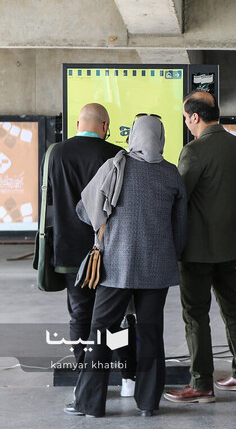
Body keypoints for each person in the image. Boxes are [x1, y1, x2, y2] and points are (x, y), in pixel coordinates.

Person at [65, 116, 187, 417]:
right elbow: (181, 228)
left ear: (133, 136)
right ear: (160, 137)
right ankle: (148, 403)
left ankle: (89, 404)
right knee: (150, 332)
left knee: (102, 332)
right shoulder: (172, 175)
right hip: (157, 269)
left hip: (115, 266)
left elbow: (84, 210)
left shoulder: (115, 166)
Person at [164, 91, 236, 404]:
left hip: (198, 250)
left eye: (186, 117)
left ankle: (201, 383)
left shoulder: (194, 151)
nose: (187, 123)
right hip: (232, 243)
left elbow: (180, 199)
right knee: (233, 307)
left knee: (195, 314)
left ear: (194, 117)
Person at [46, 103, 137, 396]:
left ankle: (86, 382)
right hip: (108, 250)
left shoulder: (55, 153)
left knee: (79, 316)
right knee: (116, 316)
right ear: (105, 125)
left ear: (77, 124)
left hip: (69, 251)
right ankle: (127, 378)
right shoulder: (113, 154)